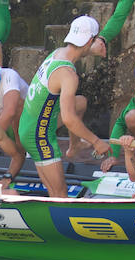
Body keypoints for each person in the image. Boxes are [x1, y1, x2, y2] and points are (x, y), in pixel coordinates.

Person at [17, 15, 109, 198]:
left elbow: (79, 49)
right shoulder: (67, 74)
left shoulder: (59, 52)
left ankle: (73, 147)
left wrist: (92, 50)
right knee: (60, 194)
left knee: (80, 102)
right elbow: (68, 119)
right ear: (90, 40)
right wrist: (96, 142)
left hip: (30, 123)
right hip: (39, 136)